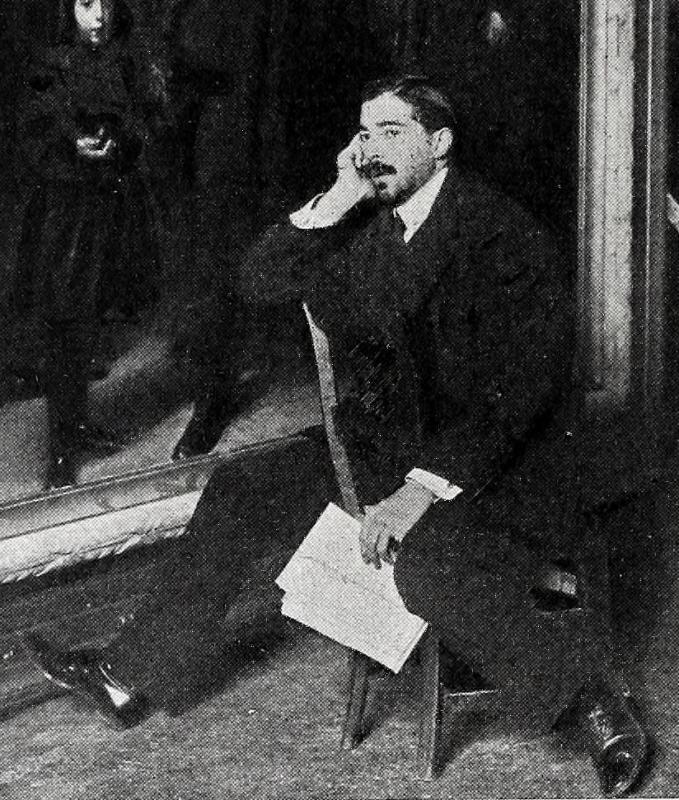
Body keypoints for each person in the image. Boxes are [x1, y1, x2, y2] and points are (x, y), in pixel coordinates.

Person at [25, 75, 649, 796]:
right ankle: (125, 676)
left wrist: (417, 491)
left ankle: (596, 705)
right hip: (393, 450)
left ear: (440, 143)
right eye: (363, 132)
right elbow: (258, 280)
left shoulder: (501, 235)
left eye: (391, 132)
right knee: (246, 487)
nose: (370, 147)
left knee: (425, 569)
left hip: (498, 467)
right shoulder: (374, 229)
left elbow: (518, 397)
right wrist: (338, 197)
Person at [11, 0, 161, 489]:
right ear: (66, 9)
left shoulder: (127, 60)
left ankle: (78, 424)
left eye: (106, 2)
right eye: (86, 4)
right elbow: (30, 136)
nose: (99, 16)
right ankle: (60, 450)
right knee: (63, 327)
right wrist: (71, 146)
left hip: (111, 214)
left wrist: (121, 145)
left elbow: (145, 124)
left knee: (90, 324)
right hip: (64, 216)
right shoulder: (49, 66)